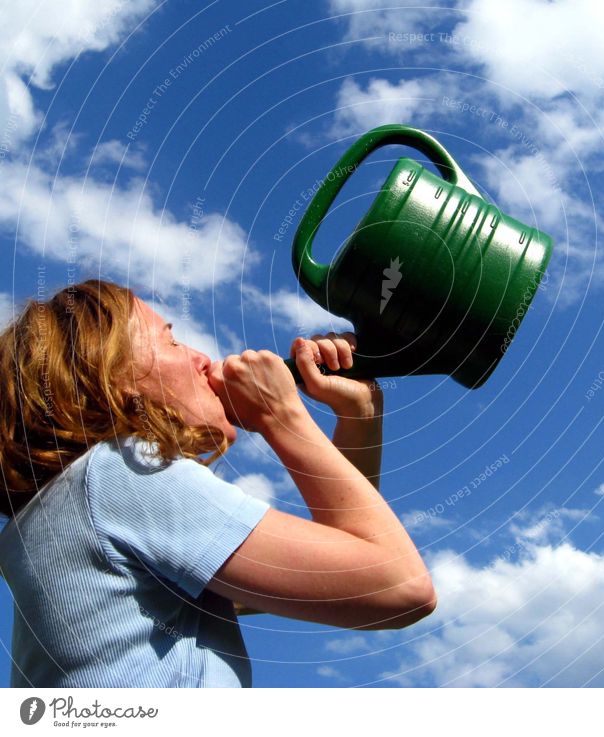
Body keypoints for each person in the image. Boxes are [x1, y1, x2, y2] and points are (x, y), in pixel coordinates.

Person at [0, 279, 436, 687]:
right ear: (108, 381)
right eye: (170, 340)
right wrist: (278, 415)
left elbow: (336, 573)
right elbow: (396, 586)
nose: (201, 358)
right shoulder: (120, 471)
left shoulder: (72, 506)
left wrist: (358, 416)